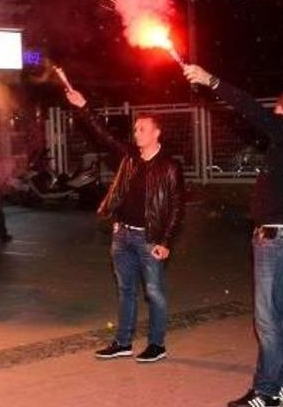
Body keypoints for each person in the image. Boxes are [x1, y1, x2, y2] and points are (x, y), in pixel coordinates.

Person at [184, 66, 283, 407]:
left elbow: (249, 108)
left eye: (276, 112)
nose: (270, 120)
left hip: (276, 240)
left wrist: (211, 80)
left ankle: (266, 391)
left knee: (268, 319)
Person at [60, 70, 184, 363]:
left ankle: (157, 344)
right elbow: (104, 135)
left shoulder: (169, 167)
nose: (136, 133)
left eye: (142, 129)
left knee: (154, 293)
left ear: (156, 133)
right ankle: (123, 342)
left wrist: (166, 241)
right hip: (123, 235)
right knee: (126, 291)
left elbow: (177, 206)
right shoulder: (129, 156)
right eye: (136, 129)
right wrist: (83, 107)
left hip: (149, 239)